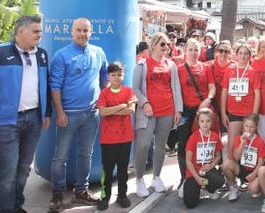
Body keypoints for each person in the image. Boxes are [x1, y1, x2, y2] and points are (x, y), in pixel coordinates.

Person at [0, 15, 52, 213]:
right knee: (8, 170)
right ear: (20, 31)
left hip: (34, 119)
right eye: (35, 31)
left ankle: (16, 206)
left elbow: (45, 85)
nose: (40, 35)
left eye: (40, 31)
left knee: (24, 167)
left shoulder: (41, 55)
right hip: (6, 122)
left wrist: (46, 113)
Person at [49, 17, 108, 212]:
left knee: (86, 154)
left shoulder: (98, 52)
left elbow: (104, 76)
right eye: (79, 30)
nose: (82, 33)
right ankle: (57, 194)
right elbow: (55, 86)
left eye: (86, 30)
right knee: (61, 156)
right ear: (71, 32)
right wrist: (59, 112)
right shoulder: (61, 55)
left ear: (91, 32)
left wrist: (104, 101)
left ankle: (81, 191)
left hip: (92, 113)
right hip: (68, 114)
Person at [132, 32, 183, 197]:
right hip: (148, 113)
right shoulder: (142, 65)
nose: (166, 47)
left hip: (167, 110)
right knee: (143, 144)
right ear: (153, 45)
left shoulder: (171, 65)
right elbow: (135, 89)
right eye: (162, 44)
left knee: (161, 145)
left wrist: (178, 109)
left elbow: (176, 88)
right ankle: (139, 179)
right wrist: (144, 103)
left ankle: (156, 177)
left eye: (168, 44)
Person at [176, 38, 217, 195]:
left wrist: (208, 100)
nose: (193, 53)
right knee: (184, 145)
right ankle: (184, 177)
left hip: (203, 110)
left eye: (196, 50)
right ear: (185, 51)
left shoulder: (206, 67)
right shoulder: (178, 69)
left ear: (200, 52)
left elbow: (212, 87)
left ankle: (207, 178)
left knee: (205, 144)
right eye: (191, 49)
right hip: (186, 112)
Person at [95, 62, 137, 210]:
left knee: (123, 169)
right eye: (113, 75)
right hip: (108, 139)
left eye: (119, 75)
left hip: (125, 138)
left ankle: (122, 195)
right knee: (107, 169)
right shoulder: (104, 93)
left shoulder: (128, 91)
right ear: (108, 76)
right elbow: (102, 112)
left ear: (123, 76)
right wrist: (121, 106)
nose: (116, 78)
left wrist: (111, 109)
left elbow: (131, 110)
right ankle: (105, 196)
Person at [221, 43, 260, 160]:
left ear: (250, 56)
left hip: (248, 113)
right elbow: (224, 92)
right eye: (240, 53)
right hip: (234, 112)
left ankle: (246, 170)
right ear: (236, 55)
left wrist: (254, 114)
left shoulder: (253, 72)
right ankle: (231, 169)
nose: (243, 56)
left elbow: (257, 94)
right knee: (231, 146)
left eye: (246, 54)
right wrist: (223, 112)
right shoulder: (230, 70)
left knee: (248, 145)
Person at [183, 108, 225, 208]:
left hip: (207, 170)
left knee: (220, 180)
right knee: (190, 204)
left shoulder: (215, 137)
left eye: (208, 121)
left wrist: (212, 165)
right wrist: (197, 177)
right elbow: (188, 160)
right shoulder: (193, 137)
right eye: (202, 121)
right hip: (193, 171)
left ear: (212, 121)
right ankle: (193, 185)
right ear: (198, 122)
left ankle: (209, 190)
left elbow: (218, 156)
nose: (205, 124)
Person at [221, 113, 265, 201]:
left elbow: (261, 162)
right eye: (246, 126)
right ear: (243, 125)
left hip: (254, 171)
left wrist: (254, 174)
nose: (248, 129)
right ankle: (233, 188)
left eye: (251, 127)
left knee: (253, 190)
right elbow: (236, 156)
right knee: (226, 164)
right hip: (243, 168)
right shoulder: (239, 138)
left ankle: (259, 185)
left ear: (256, 127)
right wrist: (242, 143)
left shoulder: (259, 141)